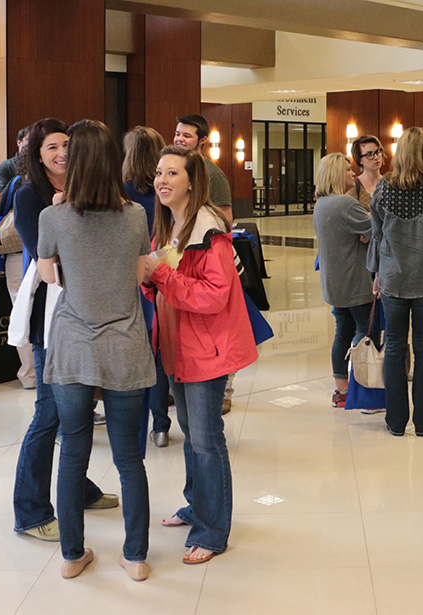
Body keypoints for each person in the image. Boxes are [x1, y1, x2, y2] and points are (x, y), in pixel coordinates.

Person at [37, 119, 155, 580]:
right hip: (124, 343)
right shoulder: (135, 215)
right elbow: (140, 274)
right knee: (129, 457)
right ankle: (136, 556)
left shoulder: (53, 217)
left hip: (73, 344)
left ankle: (72, 555)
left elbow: (49, 276)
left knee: (73, 452)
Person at [142, 146, 258, 564]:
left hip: (207, 349)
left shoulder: (209, 231)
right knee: (192, 432)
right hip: (178, 347)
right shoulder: (169, 227)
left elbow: (213, 295)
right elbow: (161, 284)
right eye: (159, 172)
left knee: (207, 440)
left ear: (192, 182)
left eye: (172, 173)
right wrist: (151, 280)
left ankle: (212, 531)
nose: (162, 180)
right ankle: (197, 506)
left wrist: (159, 274)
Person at [12, 118, 117, 543]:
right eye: (52, 147)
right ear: (37, 155)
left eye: (67, 145)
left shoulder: (83, 188)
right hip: (51, 317)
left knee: (76, 410)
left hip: (86, 312)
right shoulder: (29, 196)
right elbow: (48, 258)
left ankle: (80, 489)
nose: (62, 153)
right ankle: (30, 511)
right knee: (49, 413)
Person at [367, 126, 423, 437]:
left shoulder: (383, 188)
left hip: (392, 278)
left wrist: (377, 272)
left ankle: (395, 421)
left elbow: (377, 235)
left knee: (394, 347)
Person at [174, 113, 237, 415]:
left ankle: (223, 391)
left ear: (202, 141)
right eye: (177, 134)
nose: (179, 139)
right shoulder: (176, 168)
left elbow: (226, 220)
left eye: (186, 135)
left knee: (216, 329)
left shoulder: (214, 176)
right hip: (181, 260)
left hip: (206, 259)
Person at [313, 153, 379, 409]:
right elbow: (376, 229)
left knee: (343, 333)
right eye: (347, 170)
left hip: (334, 282)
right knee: (367, 334)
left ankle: (342, 390)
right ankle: (366, 392)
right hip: (355, 281)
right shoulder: (345, 203)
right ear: (335, 175)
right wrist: (366, 233)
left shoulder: (321, 204)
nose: (353, 174)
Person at [123, 125, 172, 448]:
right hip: (162, 276)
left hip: (129, 280)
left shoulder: (119, 191)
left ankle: (132, 425)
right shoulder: (166, 192)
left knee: (136, 355)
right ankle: (161, 425)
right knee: (159, 354)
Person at [0, 125, 34, 389]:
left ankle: (37, 374)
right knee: (22, 311)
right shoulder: (9, 172)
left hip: (36, 253)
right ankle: (30, 374)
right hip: (18, 252)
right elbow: (1, 205)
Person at [346, 135, 384, 211]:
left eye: (378, 152)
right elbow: (350, 213)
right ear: (360, 159)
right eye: (369, 154)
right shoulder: (353, 185)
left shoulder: (390, 183)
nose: (376, 157)